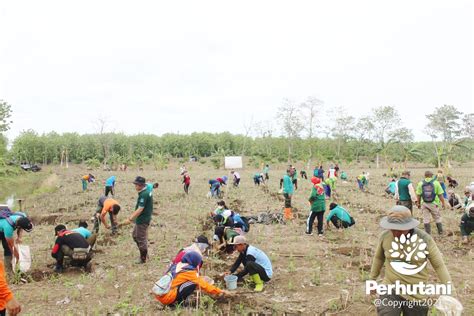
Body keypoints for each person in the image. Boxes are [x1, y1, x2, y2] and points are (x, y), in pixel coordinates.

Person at [369, 205, 455, 316]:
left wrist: (450, 290)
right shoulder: (385, 236)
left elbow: (439, 266)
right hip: (390, 288)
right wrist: (372, 279)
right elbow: (379, 258)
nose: (395, 234)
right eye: (392, 229)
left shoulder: (424, 239)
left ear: (409, 226)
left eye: (399, 230)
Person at [155, 251, 232, 306]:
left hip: (161, 294)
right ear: (194, 261)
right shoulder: (189, 272)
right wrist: (220, 291)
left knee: (193, 281)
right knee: (194, 283)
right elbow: (204, 285)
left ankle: (175, 300)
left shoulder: (180, 265)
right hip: (167, 298)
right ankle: (178, 303)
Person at [123, 176, 153, 264]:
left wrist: (130, 219)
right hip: (142, 218)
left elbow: (140, 209)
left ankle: (143, 258)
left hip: (143, 219)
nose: (135, 186)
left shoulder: (144, 194)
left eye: (136, 185)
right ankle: (144, 251)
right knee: (135, 236)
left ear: (140, 185)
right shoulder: (148, 188)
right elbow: (150, 185)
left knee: (140, 238)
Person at [0, 211, 33, 276]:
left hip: (5, 226)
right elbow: (11, 245)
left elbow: (21, 228)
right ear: (18, 225)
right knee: (8, 248)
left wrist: (19, 237)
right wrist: (17, 256)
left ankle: (11, 270)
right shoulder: (8, 227)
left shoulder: (22, 216)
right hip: (1, 230)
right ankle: (8, 271)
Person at [416, 171, 446, 235]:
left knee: (426, 219)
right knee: (437, 218)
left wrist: (418, 203)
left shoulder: (420, 183)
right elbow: (440, 195)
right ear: (431, 176)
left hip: (424, 203)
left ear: (425, 176)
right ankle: (440, 233)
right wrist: (443, 203)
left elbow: (418, 195)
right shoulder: (436, 183)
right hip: (434, 203)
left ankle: (428, 234)